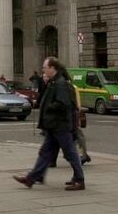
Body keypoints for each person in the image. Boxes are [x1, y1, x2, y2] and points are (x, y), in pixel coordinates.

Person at [13, 56, 85, 191]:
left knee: (70, 153)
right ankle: (31, 178)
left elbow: (63, 104)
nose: (43, 70)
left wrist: (49, 107)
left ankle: (80, 180)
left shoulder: (60, 83)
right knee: (45, 152)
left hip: (61, 125)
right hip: (54, 125)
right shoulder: (54, 82)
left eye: (45, 68)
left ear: (52, 68)